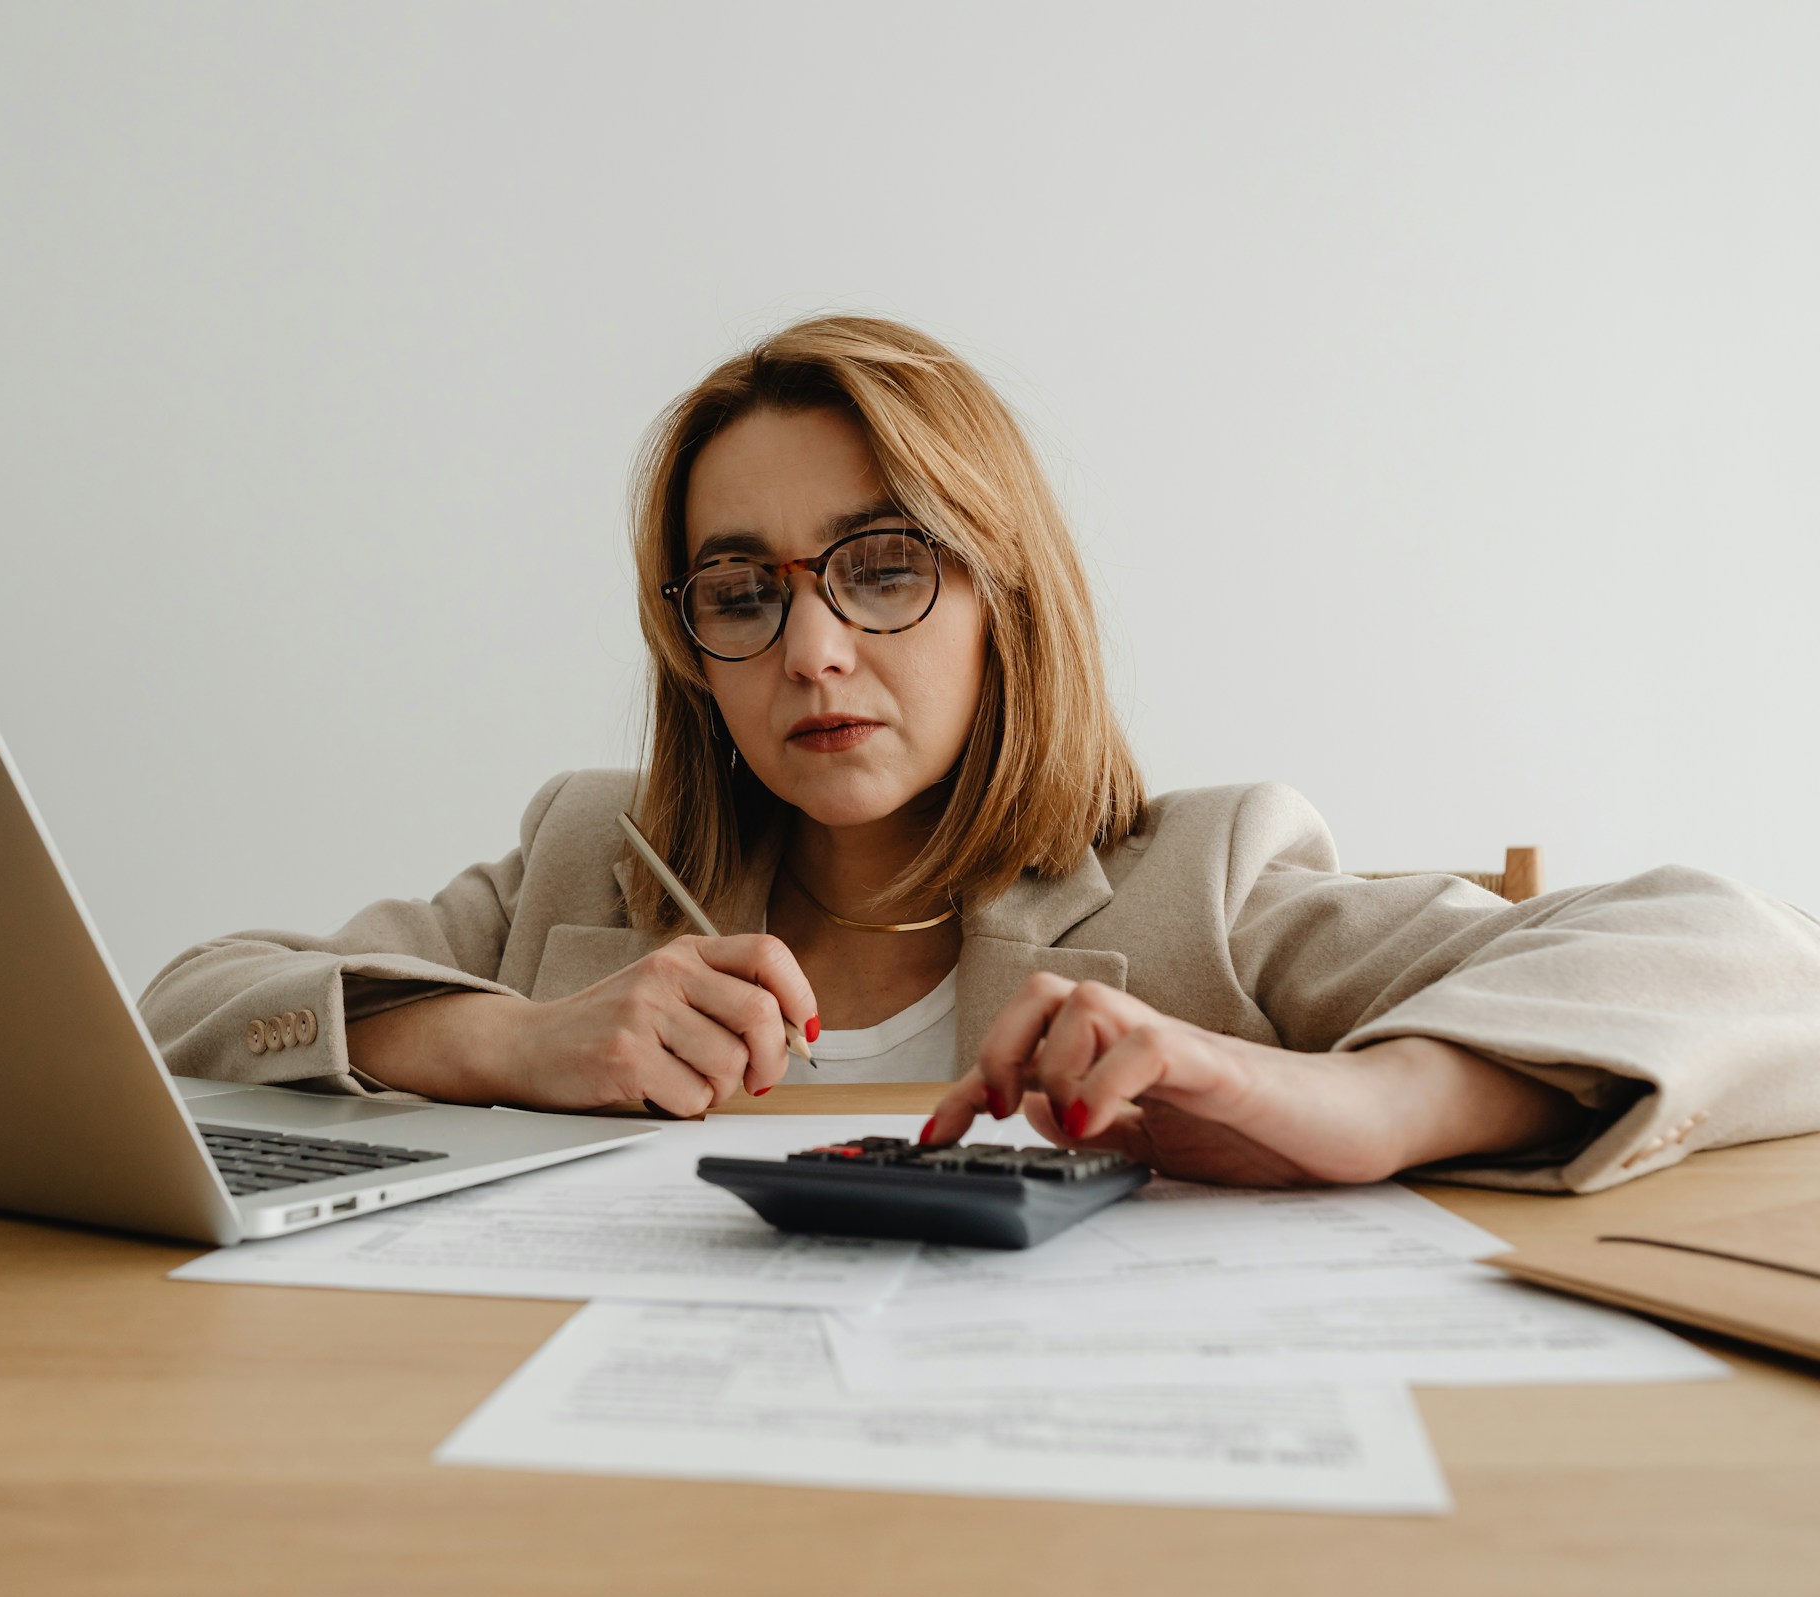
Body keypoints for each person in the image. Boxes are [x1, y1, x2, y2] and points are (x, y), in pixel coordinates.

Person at [142, 315, 1820, 1193]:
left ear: (1002, 593)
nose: (811, 648)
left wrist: (1361, 1104)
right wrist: (510, 1044)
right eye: (743, 591)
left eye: (883, 567)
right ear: (692, 643)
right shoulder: (594, 859)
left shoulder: (1206, 883)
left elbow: (1756, 970)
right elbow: (196, 996)